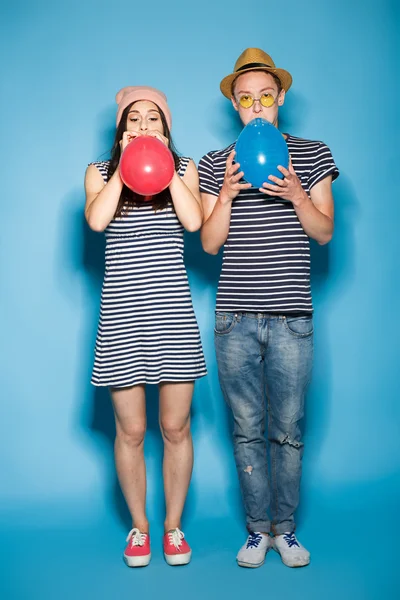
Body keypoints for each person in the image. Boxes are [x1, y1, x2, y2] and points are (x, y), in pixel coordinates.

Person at [198, 48, 339, 569]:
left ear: (280, 98)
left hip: (291, 321)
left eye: (265, 98)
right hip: (234, 318)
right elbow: (210, 245)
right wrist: (228, 195)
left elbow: (324, 232)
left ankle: (287, 529)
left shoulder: (313, 152)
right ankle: (258, 531)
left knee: (289, 428)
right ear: (236, 106)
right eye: (245, 100)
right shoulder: (217, 164)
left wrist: (299, 195)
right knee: (247, 427)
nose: (256, 108)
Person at [84, 86, 207, 567]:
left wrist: (164, 164)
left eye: (153, 119)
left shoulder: (185, 169)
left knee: (175, 427)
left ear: (167, 127)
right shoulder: (98, 173)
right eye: (132, 119)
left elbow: (195, 222)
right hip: (121, 319)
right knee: (131, 430)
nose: (142, 126)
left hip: (173, 315)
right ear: (119, 130)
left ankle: (174, 529)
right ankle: (140, 529)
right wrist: (125, 165)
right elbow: (96, 221)